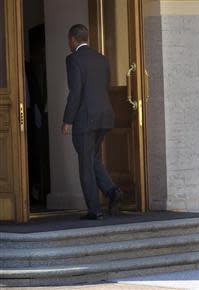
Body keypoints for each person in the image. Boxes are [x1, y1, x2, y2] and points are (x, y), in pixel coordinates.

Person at [62, 24, 123, 220]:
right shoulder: (102, 59)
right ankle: (113, 192)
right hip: (104, 116)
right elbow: (104, 87)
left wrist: (67, 120)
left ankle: (94, 210)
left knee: (85, 164)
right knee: (92, 158)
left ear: (73, 39)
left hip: (85, 120)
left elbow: (76, 92)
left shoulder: (73, 59)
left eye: (68, 40)